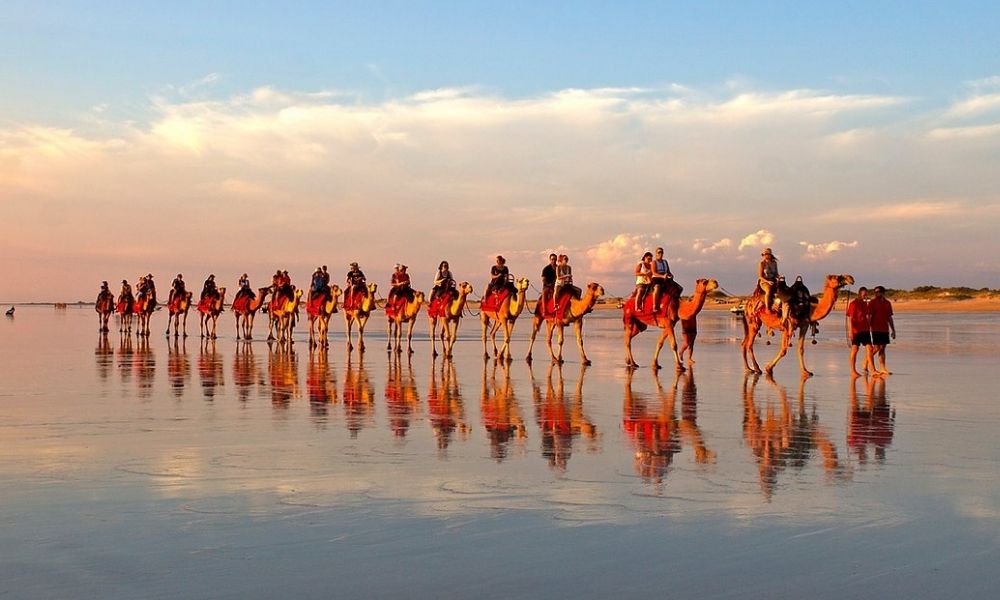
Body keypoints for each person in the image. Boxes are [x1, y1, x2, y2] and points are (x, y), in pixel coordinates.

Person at [846, 287, 874, 377]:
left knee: (870, 348)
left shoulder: (865, 303)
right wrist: (850, 331)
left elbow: (867, 316)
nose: (865, 295)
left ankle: (872, 369)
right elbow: (850, 318)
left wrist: (870, 326)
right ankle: (853, 371)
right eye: (864, 294)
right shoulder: (853, 304)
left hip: (865, 329)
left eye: (866, 294)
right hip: (856, 330)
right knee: (855, 350)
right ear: (860, 293)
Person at [869, 286, 896, 376]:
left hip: (885, 328)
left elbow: (889, 317)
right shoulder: (872, 303)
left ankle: (882, 368)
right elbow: (869, 316)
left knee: (883, 348)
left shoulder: (887, 303)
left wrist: (893, 330)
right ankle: (866, 361)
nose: (877, 294)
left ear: (883, 292)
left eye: (878, 292)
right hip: (875, 328)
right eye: (875, 292)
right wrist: (868, 328)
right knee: (876, 347)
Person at [650, 247, 673, 311]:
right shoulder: (654, 262)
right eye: (659, 252)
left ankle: (673, 304)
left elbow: (668, 271)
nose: (660, 254)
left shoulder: (665, 262)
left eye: (662, 252)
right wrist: (662, 276)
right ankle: (655, 305)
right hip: (656, 278)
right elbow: (654, 272)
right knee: (657, 287)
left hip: (665, 278)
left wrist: (671, 275)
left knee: (675, 288)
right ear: (656, 254)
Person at [758, 248, 780, 313]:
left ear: (770, 255)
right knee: (768, 290)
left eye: (767, 254)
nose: (766, 256)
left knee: (782, 289)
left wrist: (779, 277)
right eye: (765, 254)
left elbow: (776, 274)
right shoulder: (762, 264)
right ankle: (767, 308)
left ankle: (778, 306)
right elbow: (760, 276)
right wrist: (767, 282)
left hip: (773, 280)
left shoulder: (774, 263)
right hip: (764, 281)